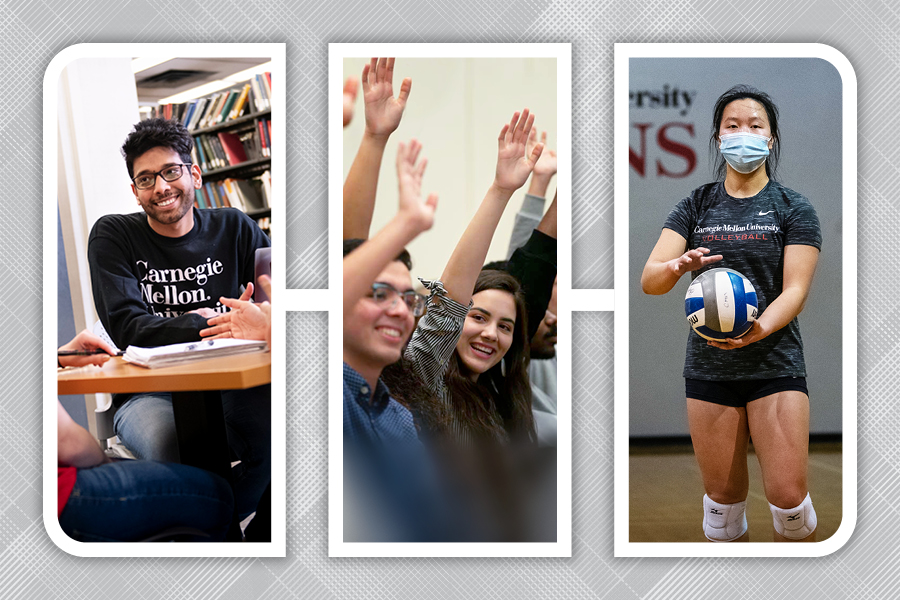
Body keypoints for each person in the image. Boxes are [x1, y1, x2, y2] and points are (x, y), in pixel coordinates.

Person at [641, 85, 821, 543]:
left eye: (755, 126)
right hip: (710, 368)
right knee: (721, 509)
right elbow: (651, 281)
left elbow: (796, 289)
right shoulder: (695, 205)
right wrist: (677, 266)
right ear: (718, 138)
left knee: (788, 503)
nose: (744, 134)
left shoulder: (793, 207)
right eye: (733, 126)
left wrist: (756, 330)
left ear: (772, 139)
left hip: (774, 363)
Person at [86, 118, 271, 522]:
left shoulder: (235, 228)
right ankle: (212, 536)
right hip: (147, 393)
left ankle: (222, 533)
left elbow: (275, 307)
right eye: (146, 179)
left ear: (195, 174)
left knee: (280, 440)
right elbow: (127, 327)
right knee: (181, 461)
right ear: (135, 192)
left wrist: (259, 318)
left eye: (171, 171)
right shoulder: (113, 235)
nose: (161, 187)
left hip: (232, 385)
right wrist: (208, 321)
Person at [342, 138, 445, 541]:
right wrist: (406, 223)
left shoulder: (398, 416)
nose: (401, 310)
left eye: (407, 299)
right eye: (378, 293)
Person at [57, 331, 233, 542]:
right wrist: (105, 461)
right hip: (61, 497)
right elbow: (69, 445)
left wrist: (59, 357)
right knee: (216, 494)